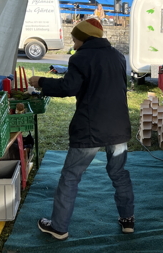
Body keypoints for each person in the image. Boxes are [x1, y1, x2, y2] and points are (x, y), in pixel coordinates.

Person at [28, 17, 134, 240]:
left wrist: (41, 82)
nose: (73, 44)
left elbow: (68, 87)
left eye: (75, 39)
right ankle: (127, 220)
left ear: (84, 38)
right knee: (119, 173)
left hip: (90, 127)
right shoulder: (117, 56)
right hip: (118, 125)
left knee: (71, 175)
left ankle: (58, 227)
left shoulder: (80, 58)